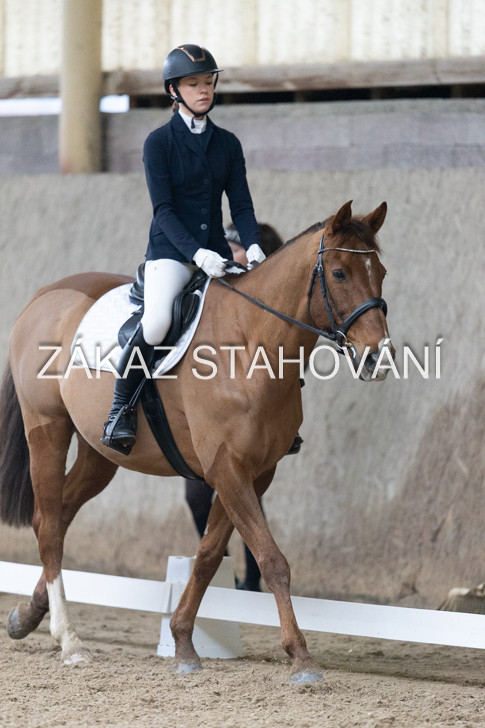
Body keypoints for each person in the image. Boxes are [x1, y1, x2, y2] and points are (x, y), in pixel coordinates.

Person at [101, 45, 266, 454]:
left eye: (208, 82)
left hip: (218, 254)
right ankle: (120, 409)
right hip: (171, 255)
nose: (203, 90)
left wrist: (254, 246)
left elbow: (241, 206)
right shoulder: (159, 143)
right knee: (157, 322)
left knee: (256, 313)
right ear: (174, 90)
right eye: (193, 84)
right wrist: (197, 254)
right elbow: (164, 211)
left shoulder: (227, 144)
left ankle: (270, 411)